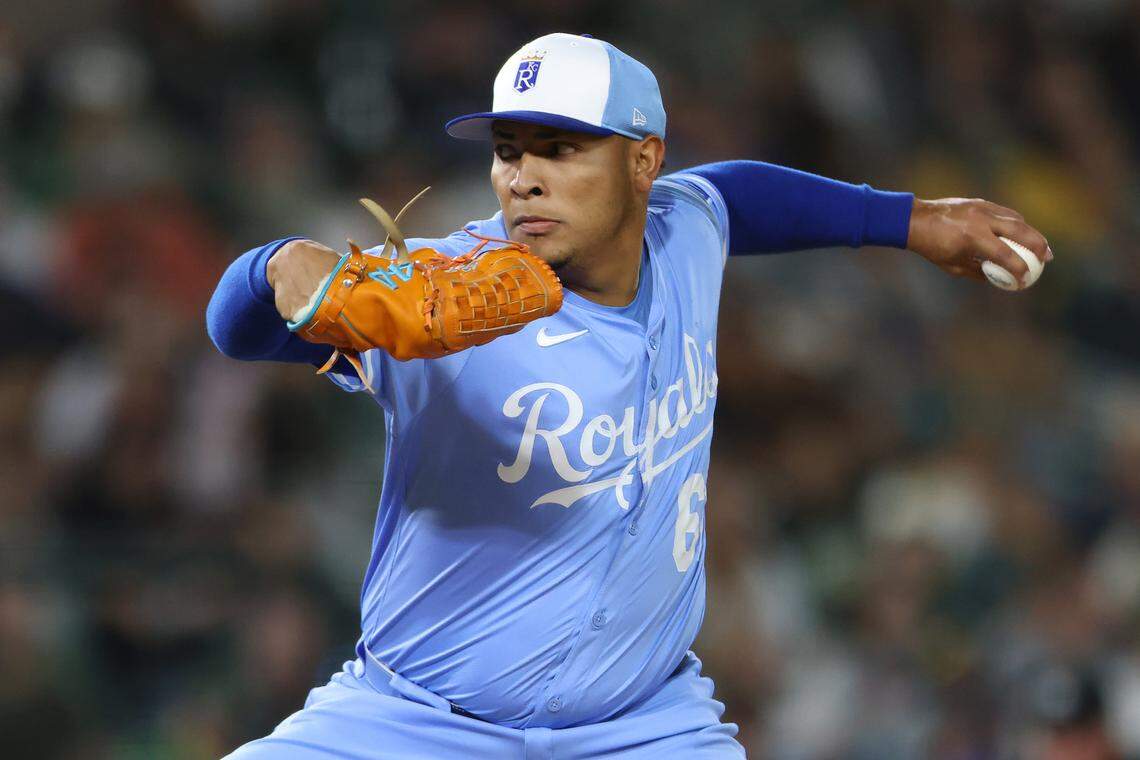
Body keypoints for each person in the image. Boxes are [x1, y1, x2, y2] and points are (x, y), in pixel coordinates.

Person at [207, 32, 1050, 759]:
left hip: (641, 725)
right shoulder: (442, 300)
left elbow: (741, 197)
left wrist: (910, 219)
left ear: (645, 160)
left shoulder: (686, 229)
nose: (522, 180)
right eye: (508, 150)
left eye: (562, 148)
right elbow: (235, 330)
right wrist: (277, 266)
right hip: (418, 720)